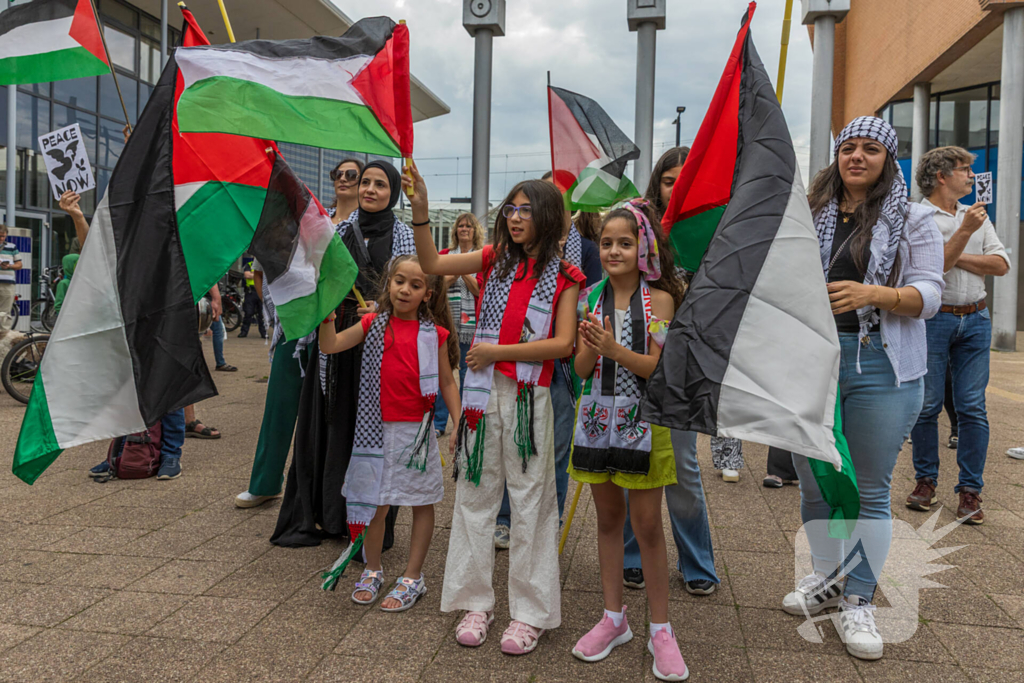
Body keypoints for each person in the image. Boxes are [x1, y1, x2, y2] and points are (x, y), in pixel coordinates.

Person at [782, 117, 944, 662]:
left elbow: (930, 294)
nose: (856, 156)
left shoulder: (915, 217)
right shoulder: (808, 212)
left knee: (870, 489)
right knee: (814, 483)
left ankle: (860, 597)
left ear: (887, 158)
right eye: (848, 147)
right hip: (811, 362)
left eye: (870, 148)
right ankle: (827, 582)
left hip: (881, 364)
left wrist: (874, 293)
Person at [407, 164, 583, 655]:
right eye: (511, 208)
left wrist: (497, 352)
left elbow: (563, 344)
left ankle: (530, 614)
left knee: (532, 503)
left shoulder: (566, 274)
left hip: (530, 399)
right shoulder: (492, 259)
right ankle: (475, 603)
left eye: (527, 210)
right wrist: (422, 213)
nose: (516, 217)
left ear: (547, 216)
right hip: (483, 399)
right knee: (474, 496)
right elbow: (432, 264)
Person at [568, 200, 689, 681]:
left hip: (645, 421)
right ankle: (613, 618)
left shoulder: (660, 300)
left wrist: (613, 349)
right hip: (597, 418)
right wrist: (589, 347)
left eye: (625, 242)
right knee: (608, 521)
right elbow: (579, 369)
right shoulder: (589, 298)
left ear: (644, 247)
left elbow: (659, 370)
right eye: (607, 243)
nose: (614, 250)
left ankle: (661, 629)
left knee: (648, 526)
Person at [272, 160, 415, 548]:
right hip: (335, 340)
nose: (369, 189)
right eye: (364, 182)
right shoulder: (335, 234)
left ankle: (366, 526)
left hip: (378, 347)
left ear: (394, 192)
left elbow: (415, 289)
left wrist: (384, 308)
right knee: (329, 426)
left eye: (380, 184)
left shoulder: (405, 237)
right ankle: (322, 516)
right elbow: (314, 278)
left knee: (369, 433)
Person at [319, 255, 460, 610]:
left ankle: (413, 576)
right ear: (388, 283)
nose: (405, 289)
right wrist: (326, 320)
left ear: (427, 294)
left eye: (415, 285)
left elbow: (446, 381)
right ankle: (373, 568)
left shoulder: (435, 334)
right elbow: (330, 345)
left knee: (421, 503)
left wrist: (459, 421)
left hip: (417, 433)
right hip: (376, 432)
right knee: (375, 504)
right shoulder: (372, 324)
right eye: (399, 281)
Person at [622, 146, 719, 596]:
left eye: (687, 181)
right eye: (668, 180)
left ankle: (697, 562)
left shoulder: (713, 232)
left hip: (683, 368)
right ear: (656, 185)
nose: (677, 188)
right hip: (627, 363)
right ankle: (632, 556)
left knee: (681, 467)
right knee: (627, 461)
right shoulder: (637, 226)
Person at [492, 171, 603, 550]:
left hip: (560, 368)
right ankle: (506, 518)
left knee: (554, 448)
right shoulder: (512, 256)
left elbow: (590, 299)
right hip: (521, 364)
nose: (523, 215)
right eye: (519, 208)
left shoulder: (586, 250)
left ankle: (548, 520)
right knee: (513, 443)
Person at [906, 146, 1010, 523]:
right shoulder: (916, 215)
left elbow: (1000, 264)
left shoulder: (975, 215)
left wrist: (956, 248)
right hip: (933, 319)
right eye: (965, 169)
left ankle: (970, 490)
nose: (972, 175)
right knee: (927, 405)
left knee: (972, 407)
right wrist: (964, 235)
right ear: (942, 176)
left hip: (976, 318)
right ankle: (925, 482)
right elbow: (932, 270)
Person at [235, 257, 304, 507]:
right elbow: (259, 272)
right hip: (294, 326)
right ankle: (265, 482)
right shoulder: (281, 223)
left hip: (342, 323)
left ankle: (330, 492)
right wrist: (278, 311)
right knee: (279, 406)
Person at [434, 212, 485, 435]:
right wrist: (462, 268)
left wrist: (459, 269)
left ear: (475, 231)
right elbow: (437, 286)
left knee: (467, 373)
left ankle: (464, 422)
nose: (464, 229)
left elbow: (479, 290)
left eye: (468, 226)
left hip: (470, 328)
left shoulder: (483, 257)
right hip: (446, 323)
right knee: (441, 374)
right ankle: (438, 423)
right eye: (460, 226)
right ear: (455, 231)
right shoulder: (444, 255)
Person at [237, 253, 266, 339]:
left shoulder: (264, 266)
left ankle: (264, 333)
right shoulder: (249, 265)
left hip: (261, 291)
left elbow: (265, 276)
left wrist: (254, 275)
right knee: (248, 313)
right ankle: (243, 332)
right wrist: (258, 276)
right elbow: (247, 275)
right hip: (251, 292)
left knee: (262, 314)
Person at [328, 158, 364, 225]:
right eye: (338, 174)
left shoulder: (368, 221)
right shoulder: (319, 216)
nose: (342, 179)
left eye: (351, 175)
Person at [0, 224, 23, 330]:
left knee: (5, 312)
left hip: (8, 283)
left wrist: (9, 266)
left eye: (3, 236)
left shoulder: (12, 247)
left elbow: (19, 265)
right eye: (0, 235)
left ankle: (4, 338)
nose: (1, 238)